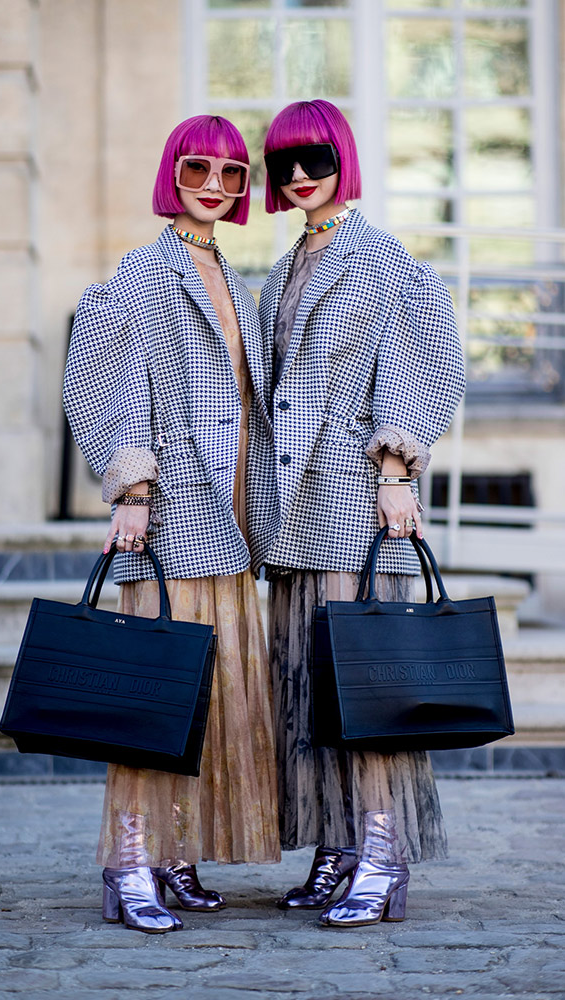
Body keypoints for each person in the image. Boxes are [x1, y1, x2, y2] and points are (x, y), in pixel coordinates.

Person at [63, 115, 280, 934]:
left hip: (231, 523)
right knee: (154, 699)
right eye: (198, 169)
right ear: (172, 174)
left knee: (213, 698)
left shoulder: (229, 271)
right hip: (170, 516)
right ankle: (128, 865)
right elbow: (97, 385)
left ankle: (174, 853)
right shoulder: (141, 274)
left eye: (231, 171)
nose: (216, 185)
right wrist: (130, 490)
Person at [258, 99, 466, 927]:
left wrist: (394, 474)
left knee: (367, 683)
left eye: (313, 157)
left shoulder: (384, 261)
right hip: (291, 507)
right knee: (306, 683)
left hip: (354, 496)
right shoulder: (282, 267)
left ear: (343, 156)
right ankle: (335, 845)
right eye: (282, 162)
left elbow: (423, 366)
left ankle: (382, 854)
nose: (299, 174)